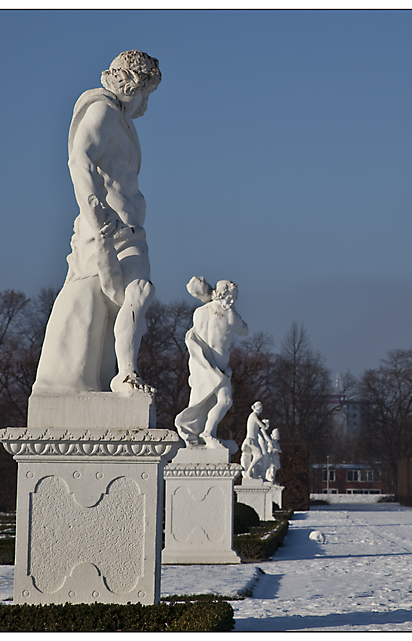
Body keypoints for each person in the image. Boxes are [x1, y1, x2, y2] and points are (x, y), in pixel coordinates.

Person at [33, 51, 161, 395]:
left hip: (129, 228)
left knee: (136, 294)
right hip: (109, 227)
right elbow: (79, 158)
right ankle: (121, 375)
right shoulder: (103, 109)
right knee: (121, 294)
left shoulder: (120, 118)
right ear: (134, 85)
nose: (146, 105)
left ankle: (123, 375)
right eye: (147, 94)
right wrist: (93, 211)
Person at [174, 279, 248, 449]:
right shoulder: (230, 315)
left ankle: (195, 434)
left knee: (199, 400)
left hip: (201, 363)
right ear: (225, 295)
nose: (233, 301)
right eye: (232, 298)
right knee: (225, 400)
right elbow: (244, 330)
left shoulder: (199, 312)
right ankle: (208, 432)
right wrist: (233, 309)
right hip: (218, 367)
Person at [241, 401, 269, 479]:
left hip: (253, 440)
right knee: (258, 455)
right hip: (251, 440)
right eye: (259, 407)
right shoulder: (253, 415)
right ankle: (248, 471)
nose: (261, 408)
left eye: (261, 407)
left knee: (256, 457)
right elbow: (261, 425)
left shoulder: (254, 416)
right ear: (256, 408)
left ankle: (253, 473)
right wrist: (265, 425)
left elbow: (258, 431)